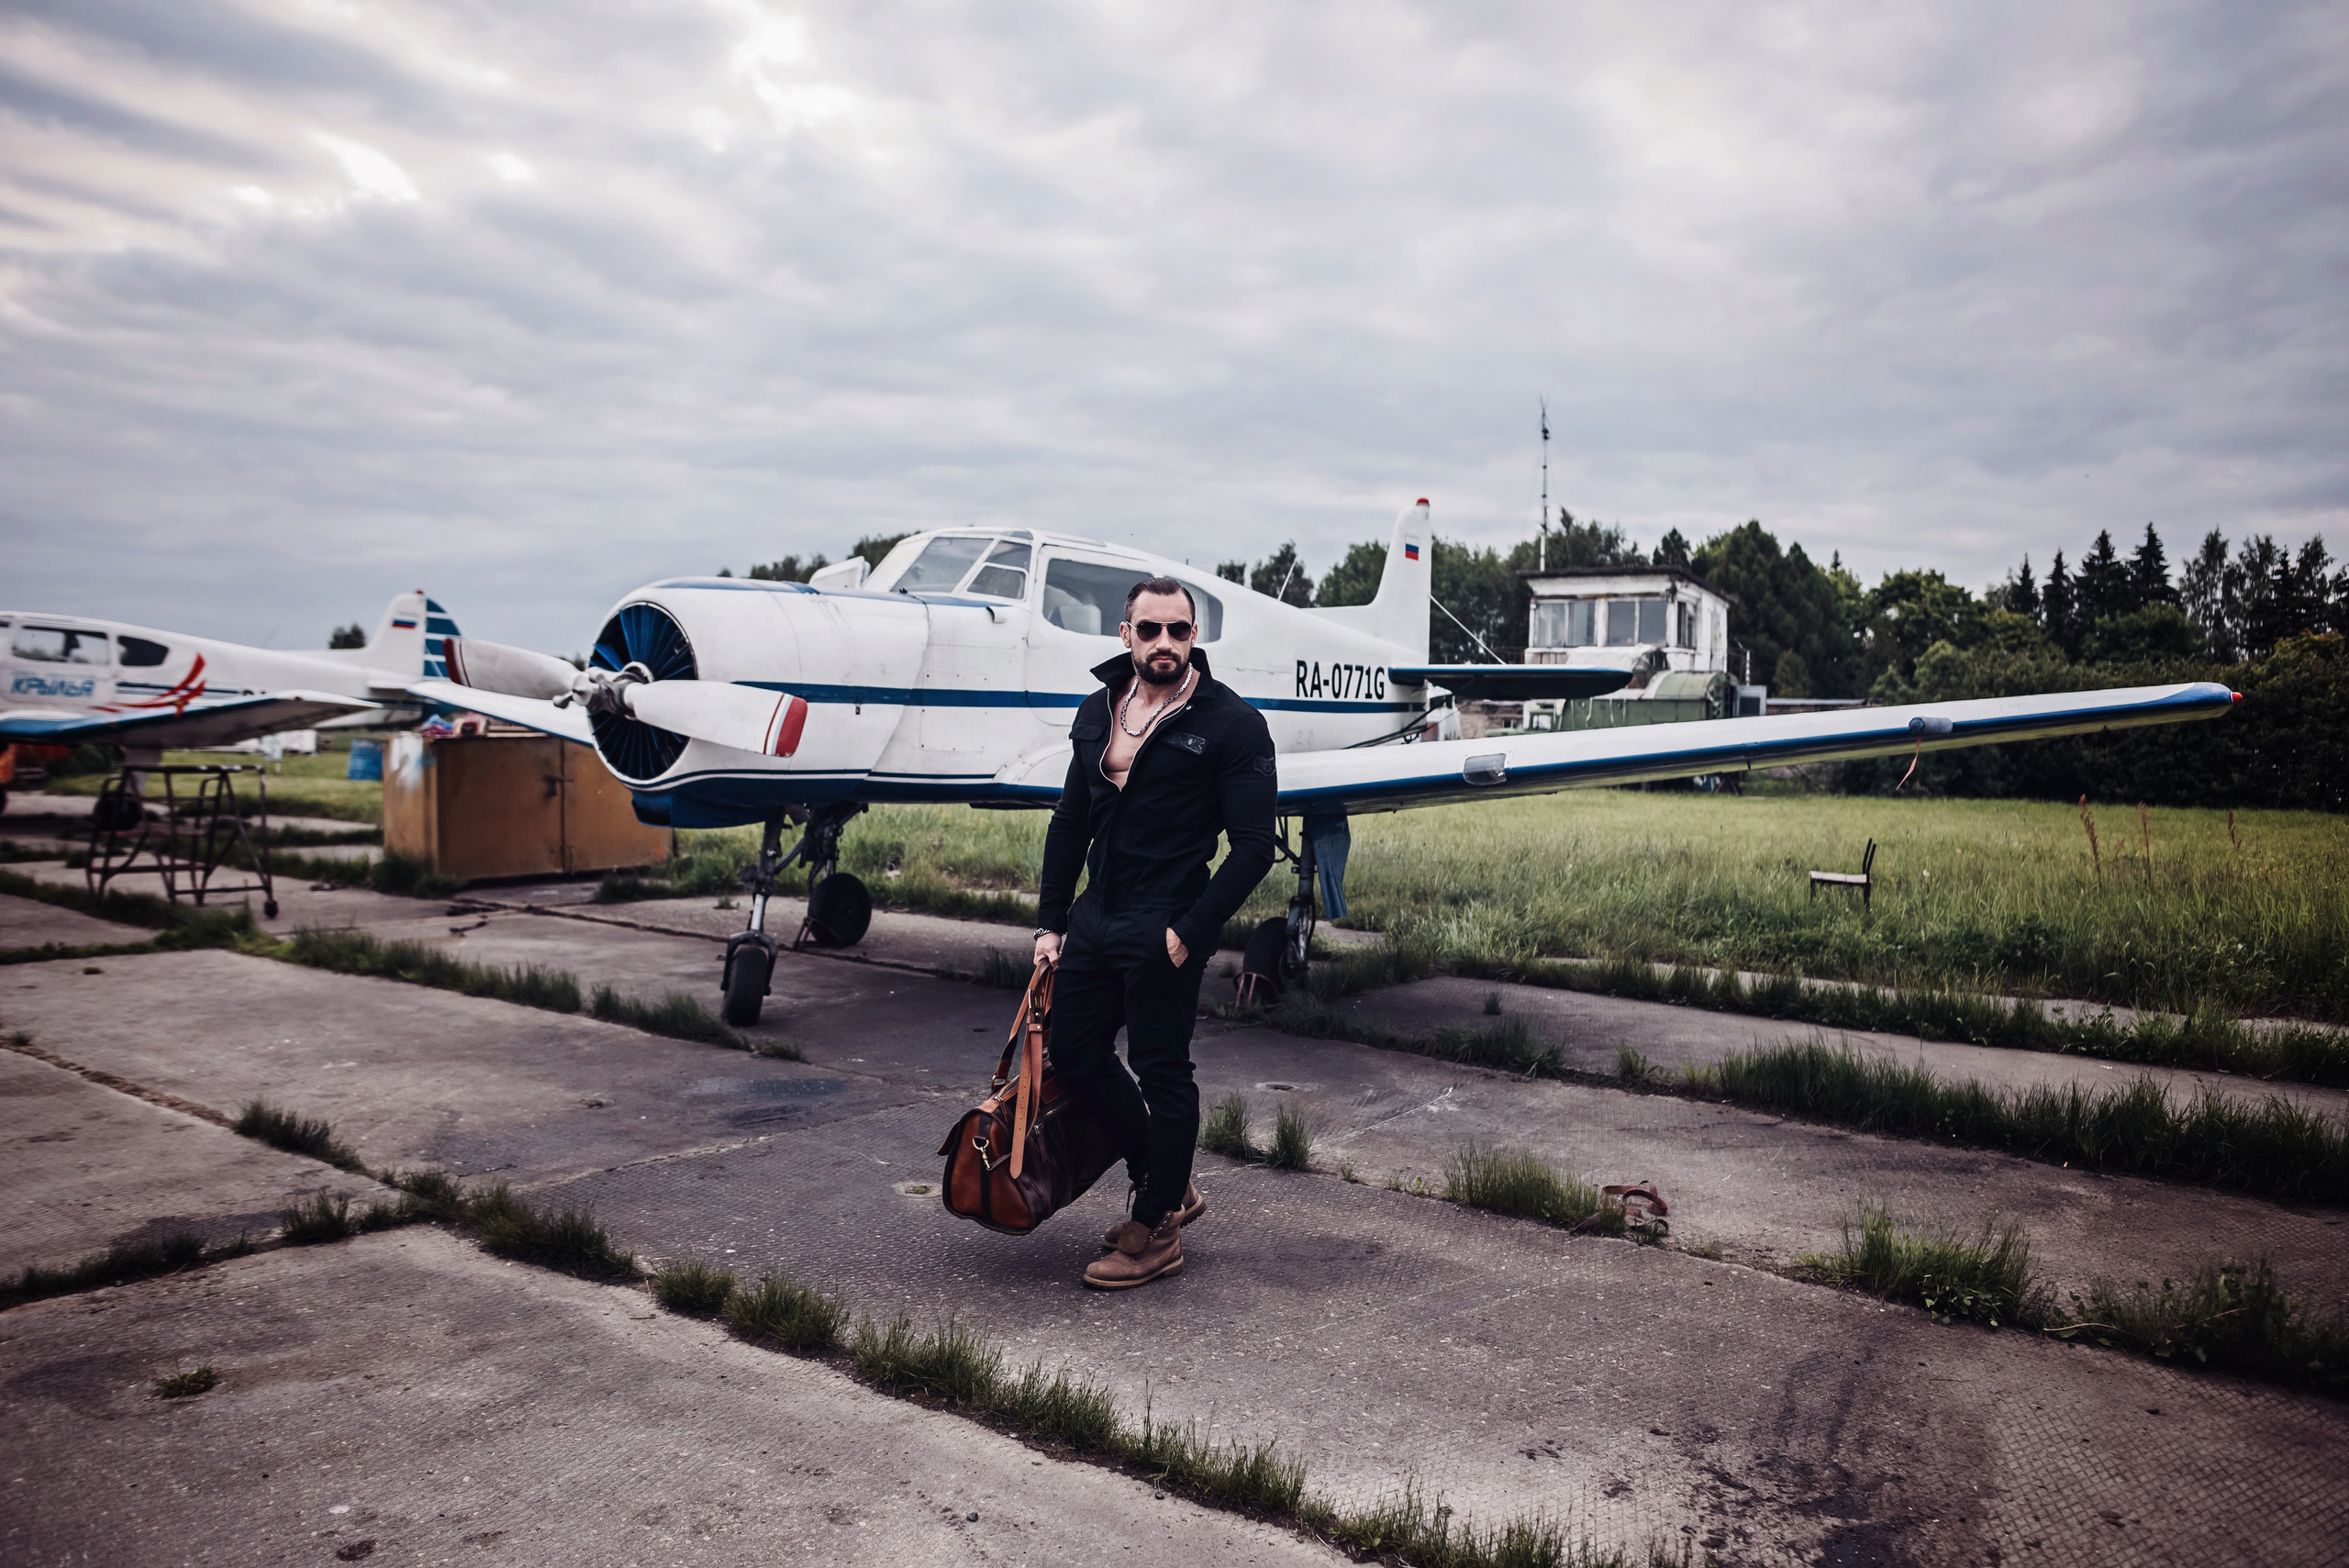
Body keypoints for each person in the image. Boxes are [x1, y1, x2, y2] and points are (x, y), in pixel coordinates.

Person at [1033, 576, 1277, 1289]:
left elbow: (1255, 845)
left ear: (1194, 636)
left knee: (1162, 1070)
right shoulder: (1097, 709)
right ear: (1125, 635)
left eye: (1179, 630)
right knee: (1076, 1052)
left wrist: (1189, 931)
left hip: (1167, 919)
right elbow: (1070, 821)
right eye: (1150, 630)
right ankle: (1167, 1181)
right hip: (1096, 915)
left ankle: (1158, 1228)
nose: (1164, 643)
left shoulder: (1231, 723)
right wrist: (1052, 921)